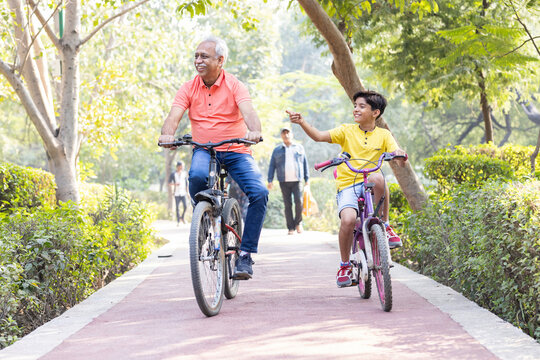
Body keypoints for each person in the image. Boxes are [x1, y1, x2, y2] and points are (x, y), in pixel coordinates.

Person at [158, 35, 268, 280]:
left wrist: (254, 131)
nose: (198, 60)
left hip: (237, 150)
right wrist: (168, 135)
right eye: (196, 56)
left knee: (259, 193)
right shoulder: (188, 87)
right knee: (196, 177)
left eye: (204, 56)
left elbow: (249, 112)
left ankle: (246, 254)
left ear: (220, 60)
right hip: (204, 149)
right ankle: (205, 220)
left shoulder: (235, 85)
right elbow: (174, 115)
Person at [287, 90, 407, 288]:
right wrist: (301, 122)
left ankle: (384, 225)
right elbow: (318, 136)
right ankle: (344, 265)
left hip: (370, 182)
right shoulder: (346, 131)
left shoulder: (384, 135)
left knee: (379, 177)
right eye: (355, 106)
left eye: (362, 106)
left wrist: (400, 156)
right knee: (349, 220)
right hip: (348, 184)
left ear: (375, 113)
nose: (356, 110)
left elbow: (398, 159)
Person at [267, 126, 309, 235]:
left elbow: (305, 164)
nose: (286, 135)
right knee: (287, 204)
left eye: (288, 132)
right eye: (284, 133)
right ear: (281, 135)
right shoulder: (277, 150)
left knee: (299, 202)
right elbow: (272, 166)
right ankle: (290, 228)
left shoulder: (299, 148)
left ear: (292, 134)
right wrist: (270, 180)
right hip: (283, 180)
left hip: (297, 180)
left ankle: (298, 223)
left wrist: (307, 179)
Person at [170, 161, 189, 225]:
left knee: (185, 206)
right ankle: (178, 221)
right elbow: (169, 183)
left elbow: (186, 183)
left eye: (183, 166)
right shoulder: (173, 174)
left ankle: (182, 217)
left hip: (183, 192)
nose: (182, 167)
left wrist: (187, 192)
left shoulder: (184, 174)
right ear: (178, 166)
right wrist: (175, 184)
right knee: (177, 207)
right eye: (181, 166)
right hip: (176, 193)